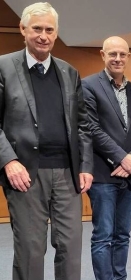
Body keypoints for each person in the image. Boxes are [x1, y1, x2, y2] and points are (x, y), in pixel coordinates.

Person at [0, 2, 93, 280]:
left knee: (70, 247)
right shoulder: (3, 67)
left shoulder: (69, 71)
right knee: (30, 249)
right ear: (23, 29)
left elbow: (83, 125)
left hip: (67, 174)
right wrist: (9, 161)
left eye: (49, 30)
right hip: (25, 173)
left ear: (56, 33)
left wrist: (86, 165)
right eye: (37, 28)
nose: (43, 35)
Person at [82, 36, 131, 280]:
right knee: (103, 236)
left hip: (130, 177)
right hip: (102, 176)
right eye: (113, 54)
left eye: (122, 54)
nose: (118, 59)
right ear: (103, 55)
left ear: (129, 57)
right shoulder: (89, 85)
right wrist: (122, 158)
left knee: (123, 235)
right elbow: (91, 128)